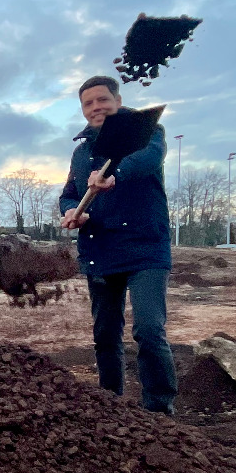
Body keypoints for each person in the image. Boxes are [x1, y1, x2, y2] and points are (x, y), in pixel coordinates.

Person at [59, 75, 177, 415]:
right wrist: (71, 211)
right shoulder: (82, 153)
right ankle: (110, 404)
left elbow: (148, 161)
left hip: (145, 248)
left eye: (102, 100)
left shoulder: (147, 134)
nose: (96, 107)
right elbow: (69, 193)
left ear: (118, 99)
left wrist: (115, 174)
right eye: (88, 103)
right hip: (100, 250)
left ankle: (159, 409)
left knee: (150, 329)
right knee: (106, 335)